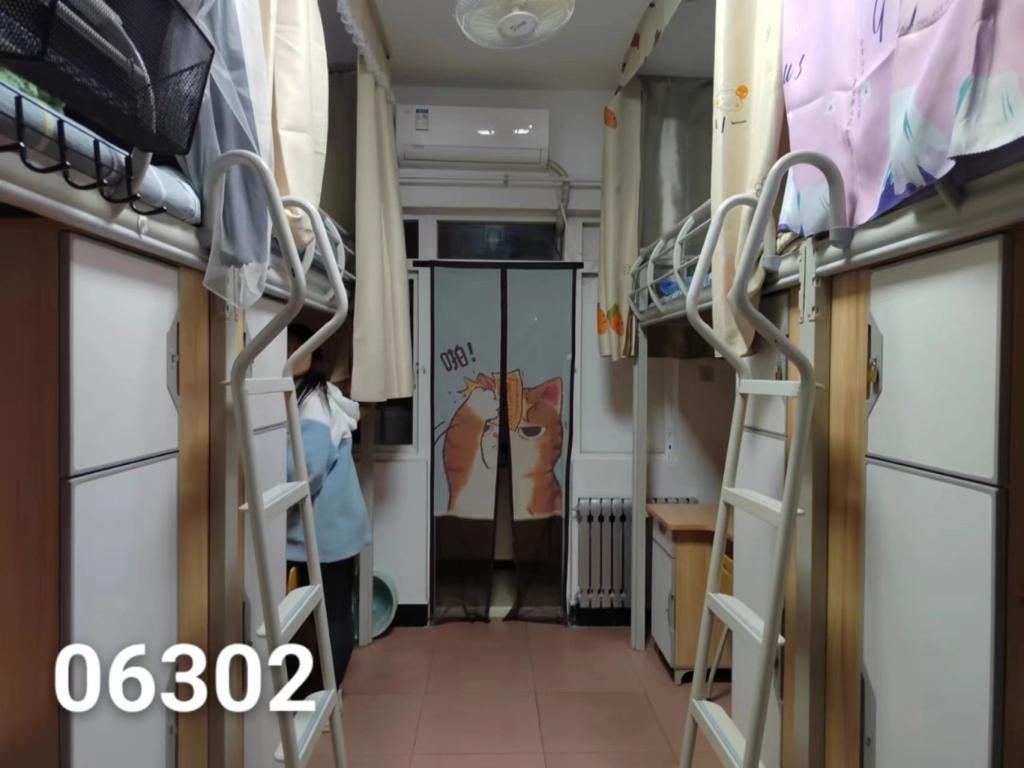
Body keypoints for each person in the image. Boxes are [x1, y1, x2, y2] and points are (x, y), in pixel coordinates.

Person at [285, 323, 370, 692]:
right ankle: (318, 694)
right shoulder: (313, 396)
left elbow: (306, 471)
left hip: (325, 533)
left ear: (314, 355)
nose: (289, 355)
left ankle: (325, 697)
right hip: (332, 530)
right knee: (326, 613)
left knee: (330, 614)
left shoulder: (312, 404)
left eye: (298, 348)